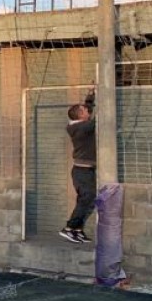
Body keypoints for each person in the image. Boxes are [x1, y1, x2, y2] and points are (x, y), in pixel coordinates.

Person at [60, 89, 96, 244]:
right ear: (80, 116)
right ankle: (69, 228)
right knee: (86, 198)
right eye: (84, 111)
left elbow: (89, 111)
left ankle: (78, 230)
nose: (88, 111)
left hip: (85, 170)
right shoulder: (81, 128)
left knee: (87, 200)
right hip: (82, 171)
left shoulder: (79, 125)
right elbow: (96, 122)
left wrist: (90, 96)